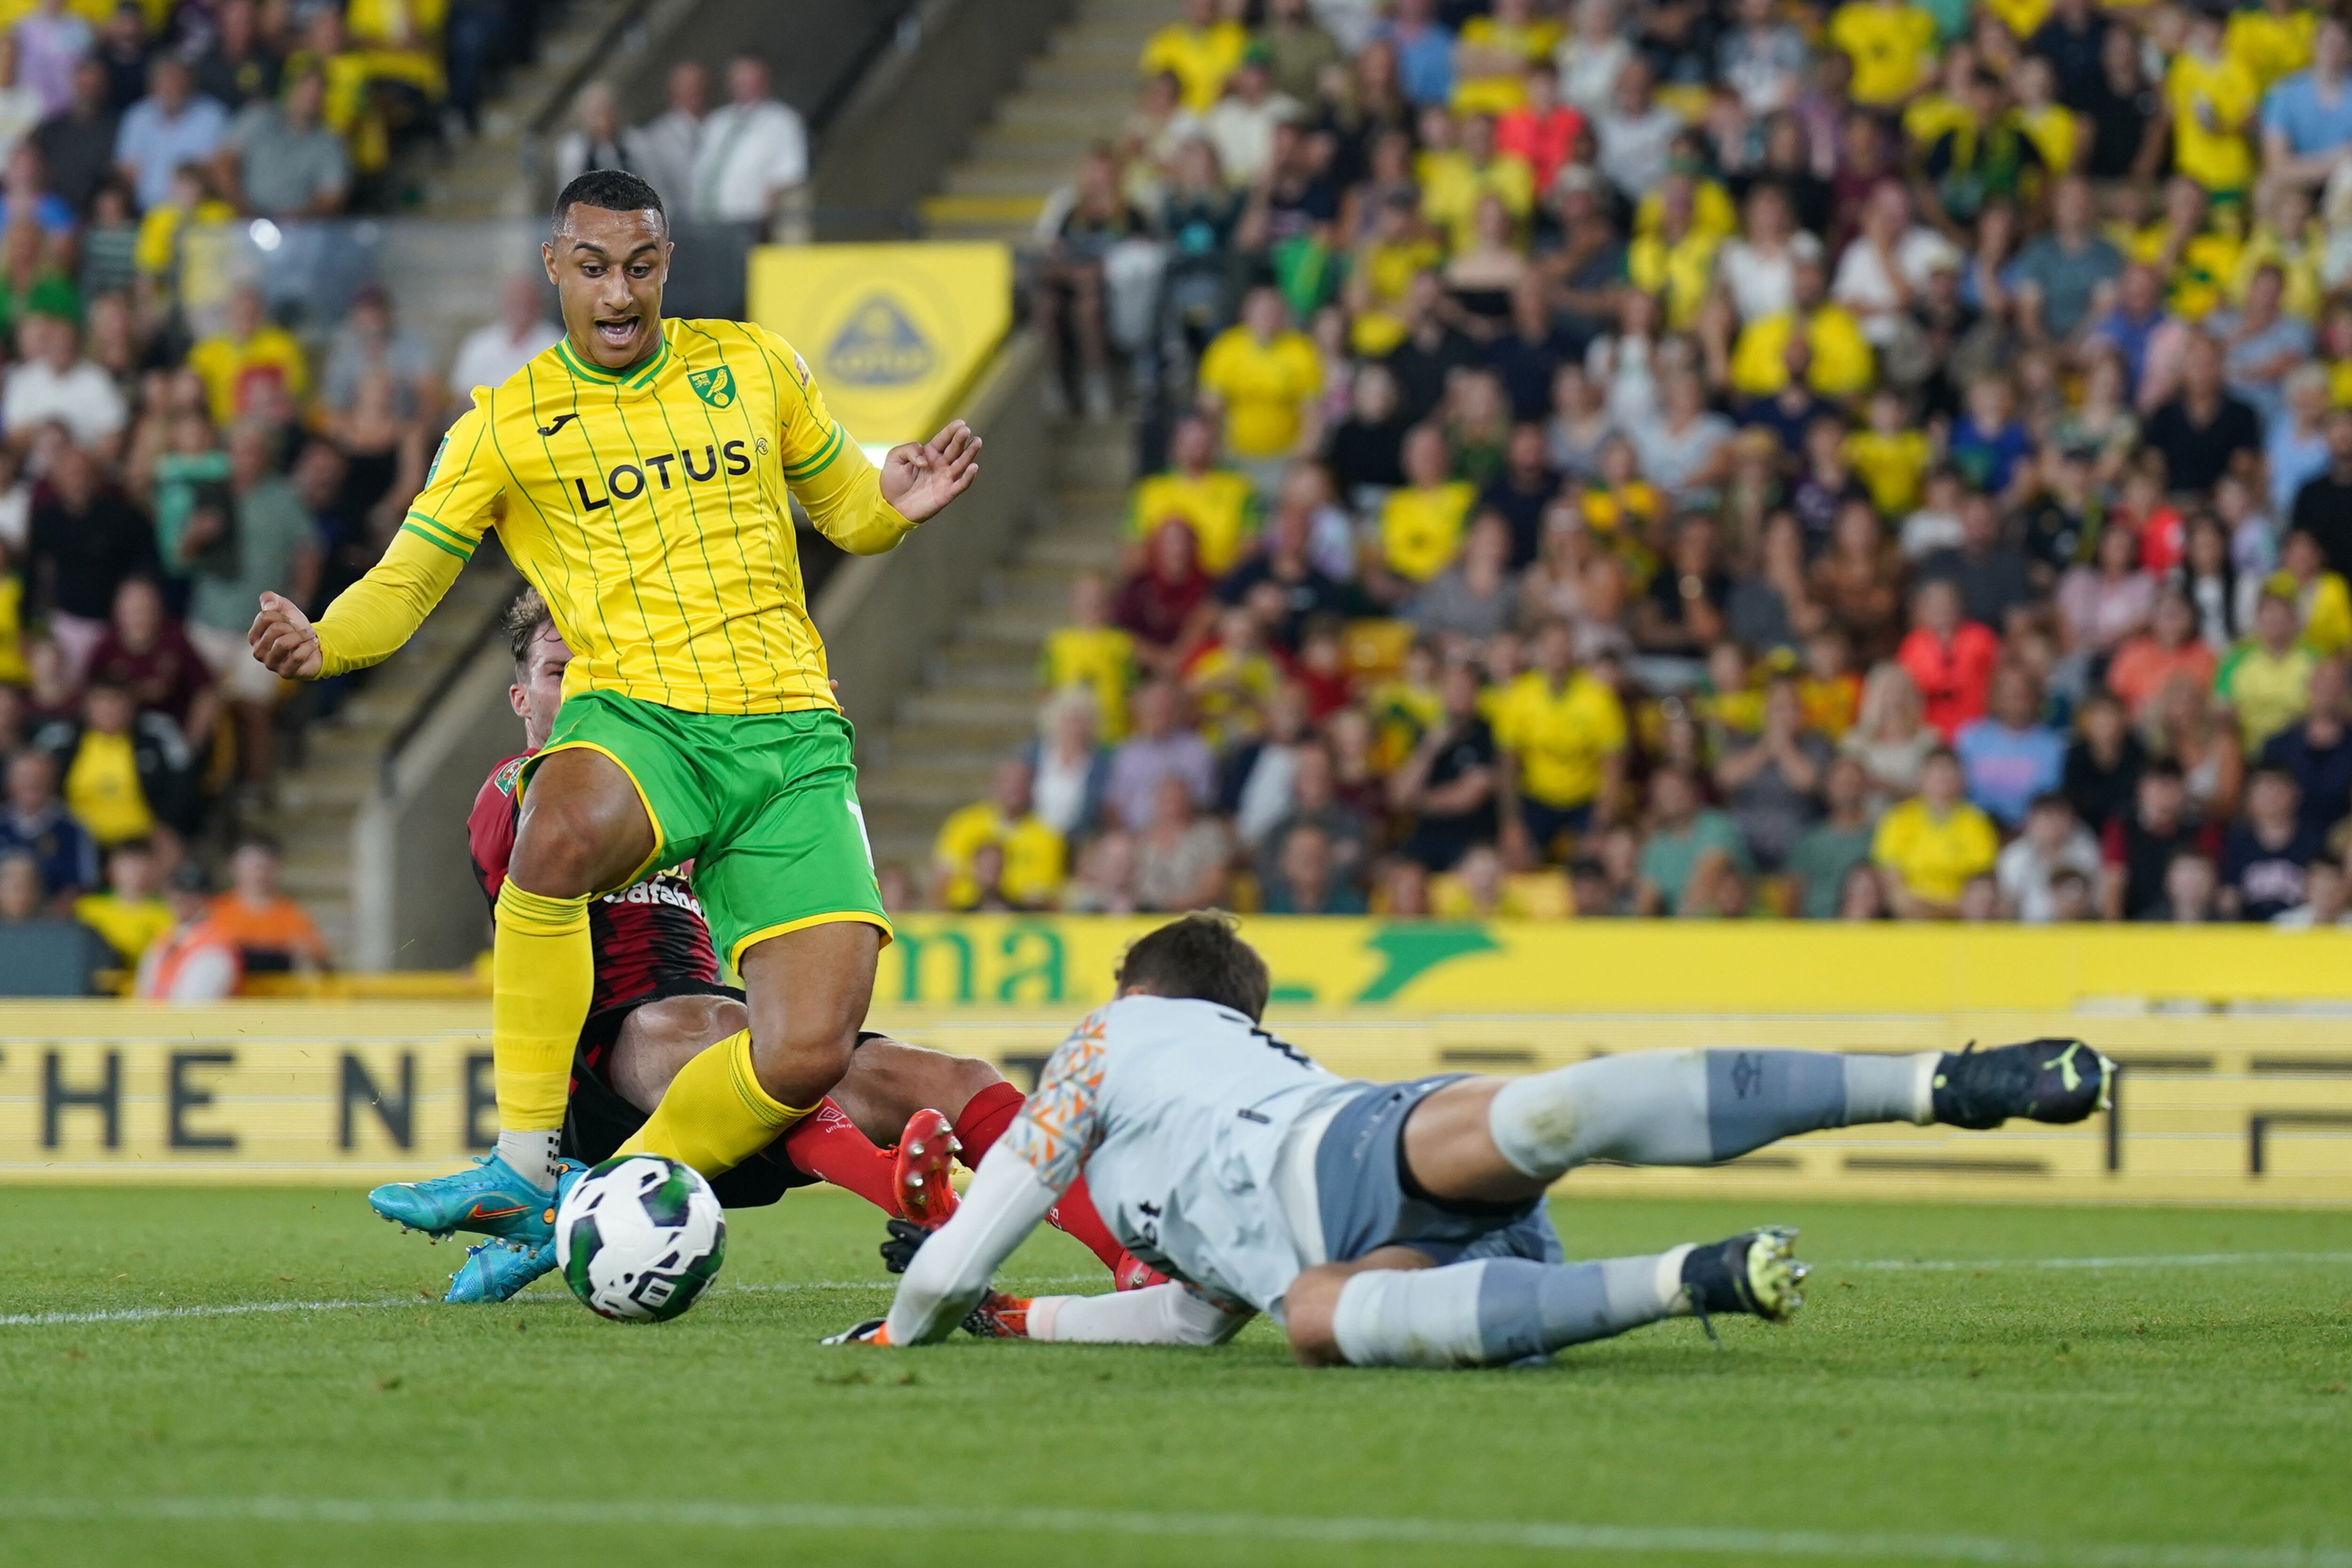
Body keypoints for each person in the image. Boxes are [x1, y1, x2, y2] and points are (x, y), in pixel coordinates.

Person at [249, 170, 983, 1250]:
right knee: (557, 830)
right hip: (641, 721)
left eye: (640, 266)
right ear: (556, 268)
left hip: (788, 739)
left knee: (806, 1054)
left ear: (666, 264)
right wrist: (325, 640)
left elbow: (847, 513)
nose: (619, 293)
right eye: (593, 267)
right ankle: (522, 1159)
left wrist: (895, 507)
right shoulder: (507, 423)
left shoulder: (754, 364)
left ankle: (595, 1201)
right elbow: (406, 581)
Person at [842, 913, 2115, 1363]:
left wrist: (918, 1317)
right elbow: (1188, 1317)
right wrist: (1021, 1322)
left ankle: (1939, 1082)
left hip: (1340, 1162)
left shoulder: (1108, 1041)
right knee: (1316, 1312)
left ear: (1134, 984)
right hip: (1354, 1189)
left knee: (1530, 1124)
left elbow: (958, 1250)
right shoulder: (1207, 1072)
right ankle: (1694, 1276)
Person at [412, 590, 1157, 1303]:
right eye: (557, 671)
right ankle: (898, 1188)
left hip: (726, 1072)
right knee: (731, 1034)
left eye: (599, 668)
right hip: (614, 1069)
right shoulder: (515, 790)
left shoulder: (681, 786)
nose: (580, 687)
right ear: (522, 701)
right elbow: (551, 863)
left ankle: (1130, 1258)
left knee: (954, 1078)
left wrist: (770, 740)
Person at [687, 53, 807, 240]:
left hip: (749, 227)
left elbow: (786, 179)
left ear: (764, 80)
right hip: (706, 226)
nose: (743, 84)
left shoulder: (783, 121)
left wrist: (765, 231)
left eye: (750, 78)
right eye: (738, 78)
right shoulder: (717, 121)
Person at [1871, 747, 2000, 918]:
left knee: (1982, 900)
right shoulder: (1898, 819)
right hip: (1911, 916)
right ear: (1921, 778)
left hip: (1962, 916)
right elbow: (1891, 882)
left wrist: (1930, 908)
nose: (1943, 779)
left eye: (1950, 773)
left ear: (1962, 780)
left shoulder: (1977, 822)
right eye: (1937, 773)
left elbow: (1980, 883)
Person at [447, 274, 563, 400]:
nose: (522, 306)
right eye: (516, 301)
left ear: (539, 304)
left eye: (527, 301)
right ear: (505, 302)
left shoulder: (557, 343)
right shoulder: (479, 344)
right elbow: (462, 396)